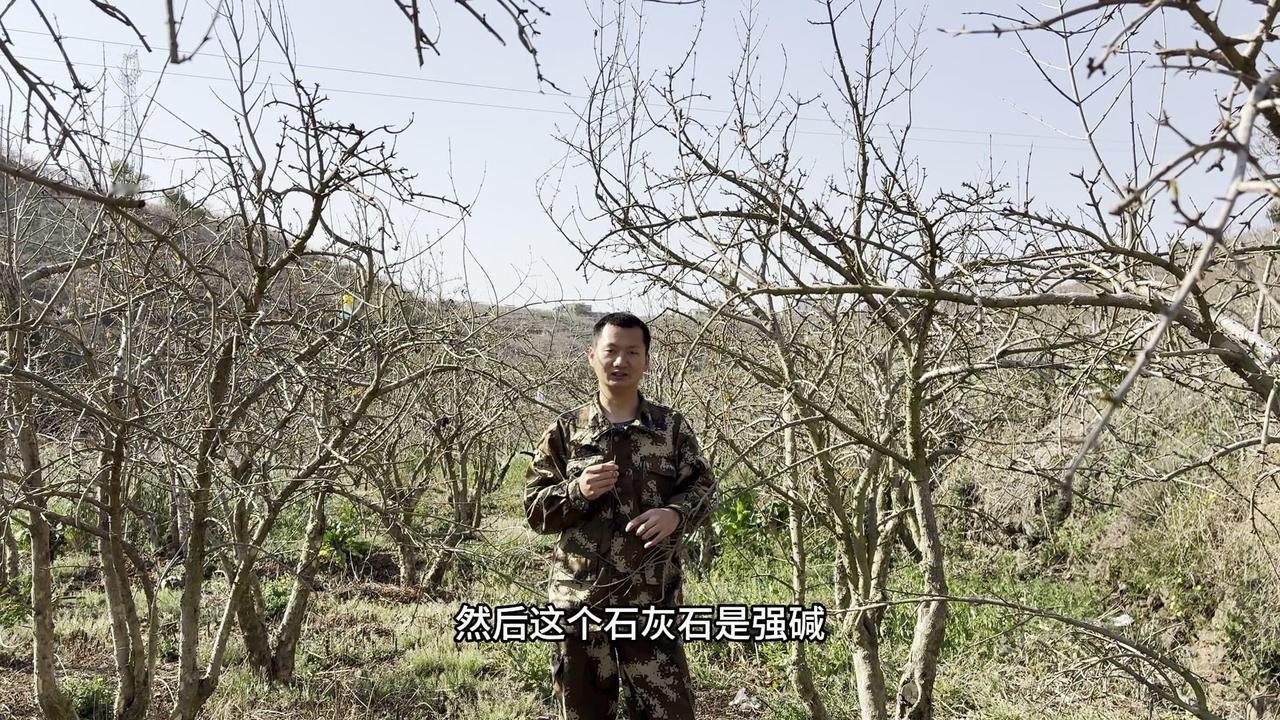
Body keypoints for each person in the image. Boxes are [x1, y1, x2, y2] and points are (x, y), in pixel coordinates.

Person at [524, 311, 718, 720]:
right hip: (579, 605)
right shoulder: (565, 431)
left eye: (632, 352)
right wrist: (577, 491)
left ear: (646, 360)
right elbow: (535, 512)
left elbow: (703, 489)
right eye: (611, 351)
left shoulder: (670, 429)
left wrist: (675, 513)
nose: (620, 361)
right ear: (592, 355)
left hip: (653, 601)